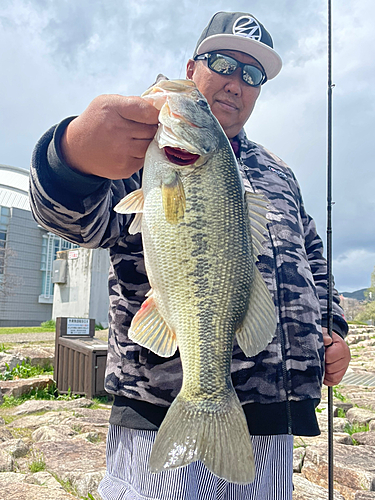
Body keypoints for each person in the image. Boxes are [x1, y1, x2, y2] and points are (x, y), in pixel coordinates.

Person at [29, 11, 351, 500]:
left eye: (253, 74)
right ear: (191, 67)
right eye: (222, 62)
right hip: (160, 411)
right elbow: (77, 222)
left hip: (272, 417)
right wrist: (72, 156)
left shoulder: (279, 172)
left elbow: (310, 257)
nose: (236, 82)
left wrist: (332, 331)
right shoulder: (140, 153)